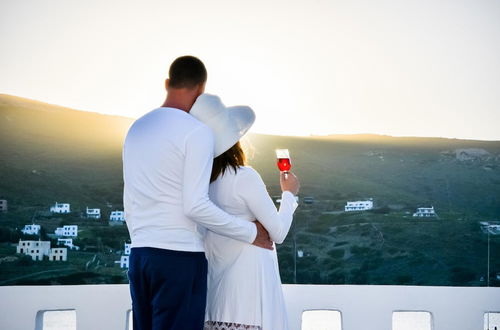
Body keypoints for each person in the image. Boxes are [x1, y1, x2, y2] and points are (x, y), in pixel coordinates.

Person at [122, 56, 273, 330]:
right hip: (179, 258)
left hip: (140, 254)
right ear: (201, 90)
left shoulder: (136, 129)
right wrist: (251, 232)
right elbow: (195, 206)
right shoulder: (196, 132)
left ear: (167, 83)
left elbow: (129, 203)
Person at [190, 94, 300, 330]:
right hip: (250, 301)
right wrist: (289, 195)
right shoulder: (244, 177)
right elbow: (278, 233)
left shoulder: (199, 183)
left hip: (217, 299)